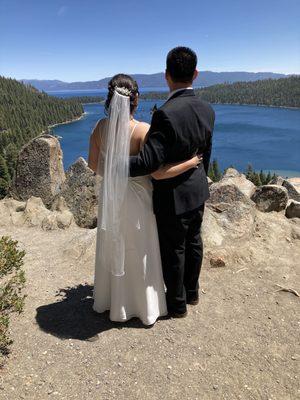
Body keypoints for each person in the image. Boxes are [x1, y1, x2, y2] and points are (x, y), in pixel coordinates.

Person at [88, 73, 202, 326]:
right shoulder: (142, 130)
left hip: (112, 195)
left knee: (115, 240)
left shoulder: (99, 128)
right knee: (140, 249)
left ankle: (111, 300)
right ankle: (142, 305)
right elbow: (158, 173)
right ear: (135, 100)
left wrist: (115, 174)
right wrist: (191, 162)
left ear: (110, 99)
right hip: (138, 197)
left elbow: (95, 165)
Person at [129, 47, 215, 318]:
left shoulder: (165, 114)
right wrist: (200, 179)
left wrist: (116, 165)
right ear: (196, 74)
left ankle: (177, 304)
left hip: (172, 196)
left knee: (174, 249)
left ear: (167, 76)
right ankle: (192, 293)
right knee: (194, 242)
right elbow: (206, 154)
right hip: (197, 191)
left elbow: (148, 163)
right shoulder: (207, 109)